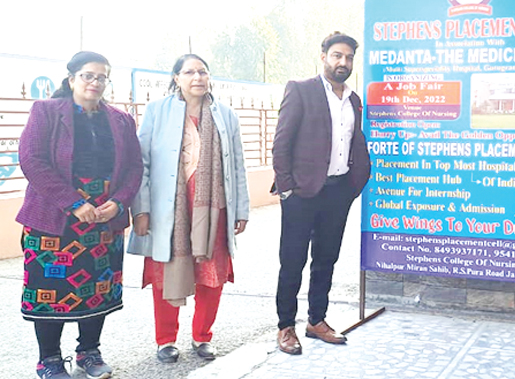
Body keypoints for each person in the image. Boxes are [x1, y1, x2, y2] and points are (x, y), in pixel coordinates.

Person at [17, 51, 143, 379]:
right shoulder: (46, 112)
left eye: (102, 77)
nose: (95, 82)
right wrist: (73, 203)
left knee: (97, 287)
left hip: (103, 218)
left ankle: (89, 351)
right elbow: (32, 160)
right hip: (54, 217)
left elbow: (133, 167)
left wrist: (118, 202)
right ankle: (49, 360)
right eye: (88, 75)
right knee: (49, 291)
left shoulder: (121, 120)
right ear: (72, 79)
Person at [128, 54, 250, 363]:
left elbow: (237, 165)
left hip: (214, 211)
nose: (197, 77)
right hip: (168, 210)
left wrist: (241, 210)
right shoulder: (157, 112)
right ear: (176, 78)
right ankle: (165, 340)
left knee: (213, 274)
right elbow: (140, 163)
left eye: (203, 71)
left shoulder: (225, 114)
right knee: (166, 273)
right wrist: (141, 209)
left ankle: (202, 336)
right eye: (189, 72)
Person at [272, 32, 370, 355]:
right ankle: (286, 326)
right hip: (302, 193)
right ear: (324, 56)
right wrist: (286, 188)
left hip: (337, 193)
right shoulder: (301, 90)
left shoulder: (354, 99)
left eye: (349, 58)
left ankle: (316, 320)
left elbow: (354, 142)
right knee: (293, 260)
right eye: (337, 56)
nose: (343, 62)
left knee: (326, 259)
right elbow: (281, 143)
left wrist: (353, 186)